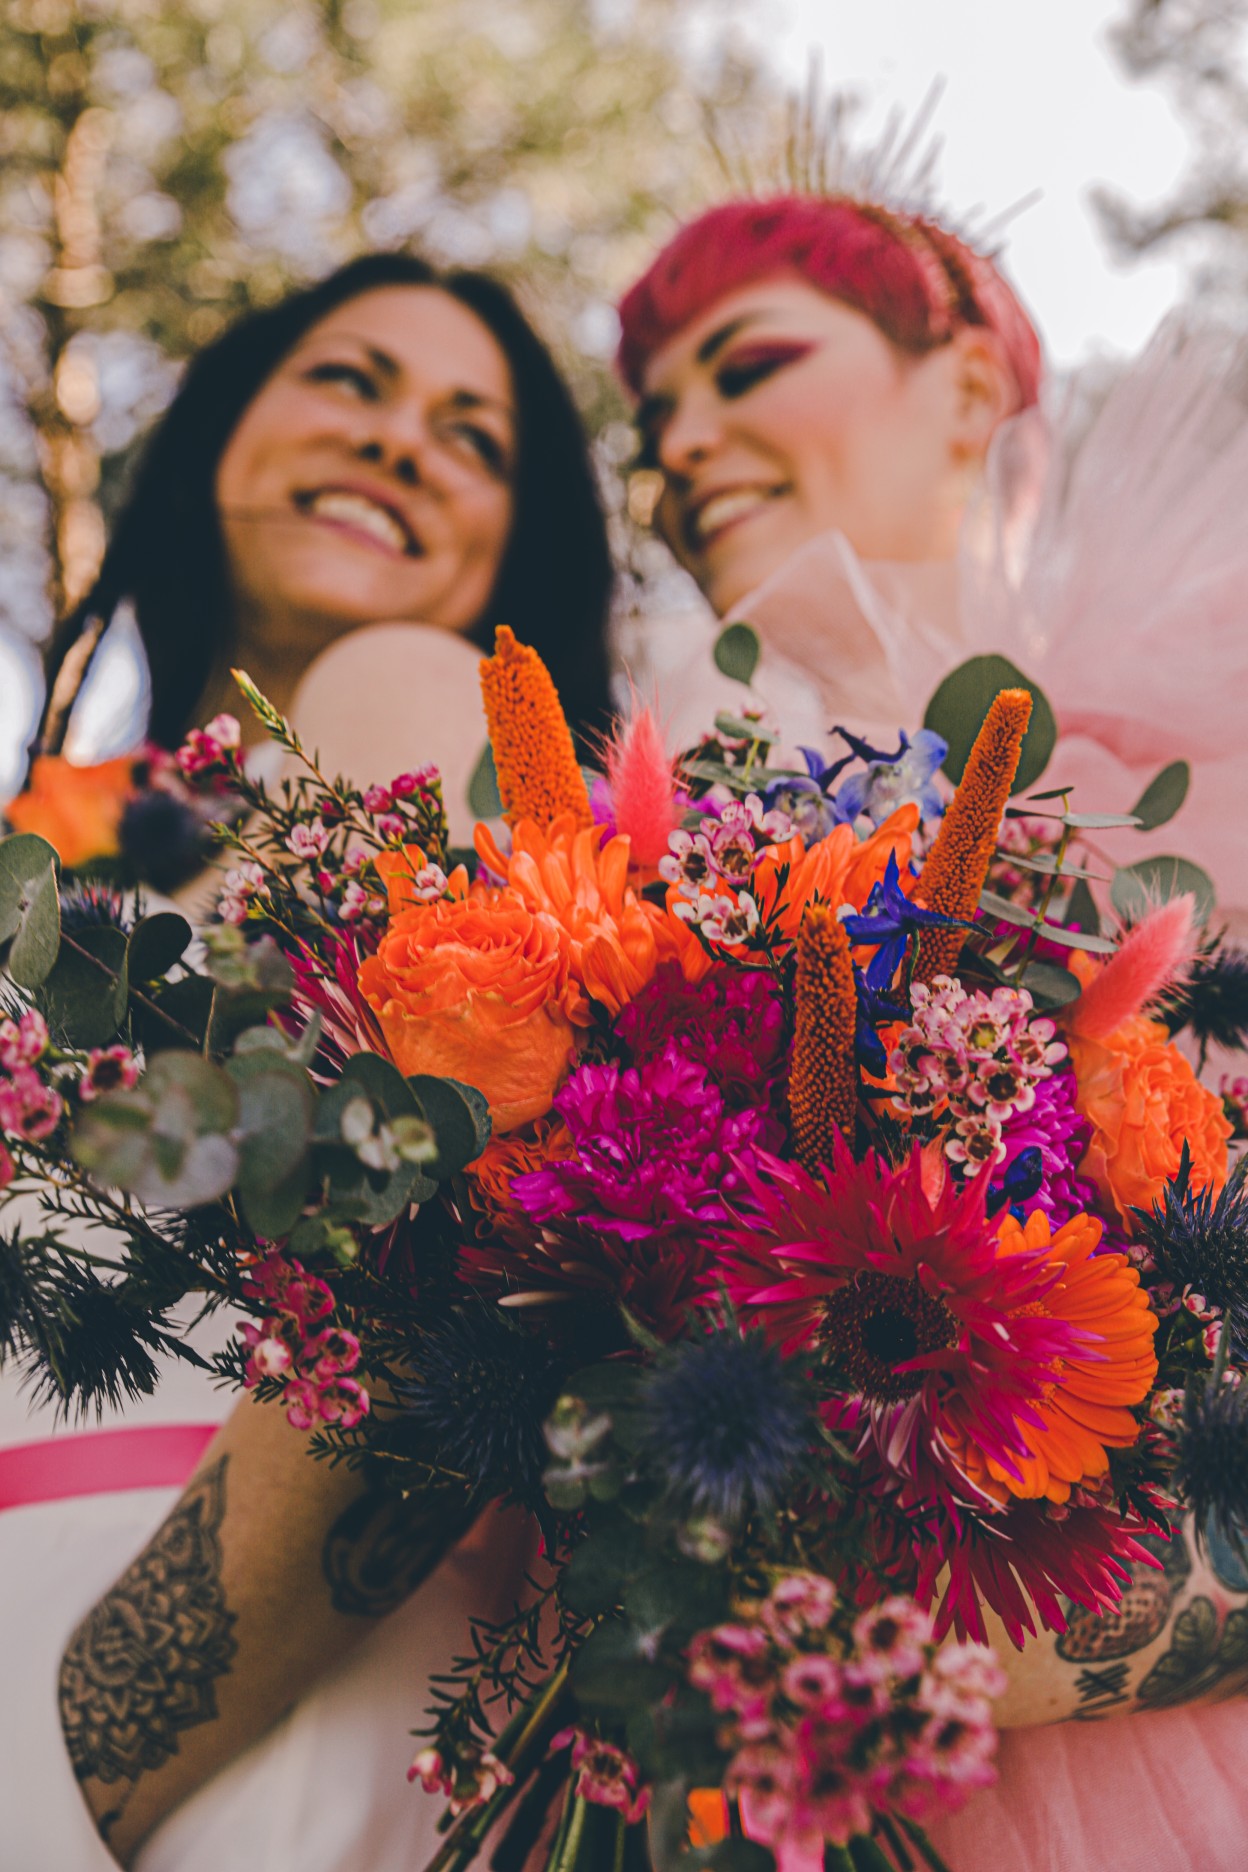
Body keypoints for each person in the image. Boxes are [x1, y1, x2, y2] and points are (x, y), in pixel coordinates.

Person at [616, 193, 1248, 1871]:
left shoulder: (1197, 719)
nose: (683, 443)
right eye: (653, 419)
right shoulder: (630, 799)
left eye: (746, 364)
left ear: (969, 385)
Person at [0, 250, 614, 1871]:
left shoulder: (410, 700)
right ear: (219, 427)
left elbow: (477, 1258)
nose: (403, 440)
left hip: (242, 1691)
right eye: (350, 379)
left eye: (471, 434)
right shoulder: (53, 839)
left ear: (511, 546)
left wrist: (70, 1778)